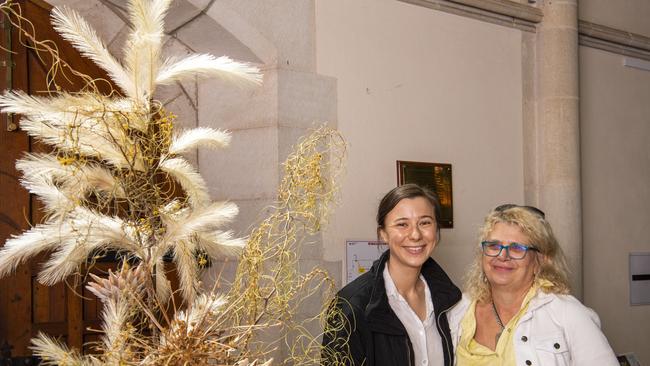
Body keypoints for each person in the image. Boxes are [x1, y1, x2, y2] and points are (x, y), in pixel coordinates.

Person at [449, 204, 618, 366]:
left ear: (540, 260)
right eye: (494, 246)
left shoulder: (568, 314)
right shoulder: (458, 311)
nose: (502, 256)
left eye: (516, 248)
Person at [322, 184, 461, 366]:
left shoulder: (451, 299)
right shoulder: (350, 306)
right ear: (383, 234)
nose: (415, 234)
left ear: (436, 230)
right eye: (402, 224)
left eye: (425, 222)